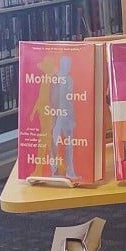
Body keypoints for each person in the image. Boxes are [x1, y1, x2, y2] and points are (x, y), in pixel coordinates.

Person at [50, 54, 78, 182]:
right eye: (66, 64)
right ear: (61, 65)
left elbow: (71, 99)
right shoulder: (55, 78)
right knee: (54, 142)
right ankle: (54, 170)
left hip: (67, 114)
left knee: (69, 144)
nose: (68, 67)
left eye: (69, 65)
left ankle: (70, 170)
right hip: (57, 114)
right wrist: (53, 116)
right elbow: (53, 99)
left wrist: (72, 118)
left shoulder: (70, 79)